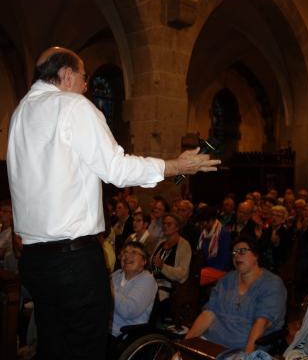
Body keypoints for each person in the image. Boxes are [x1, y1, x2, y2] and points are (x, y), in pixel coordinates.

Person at [6, 46, 220, 360]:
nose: (85, 87)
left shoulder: (19, 113)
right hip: (72, 260)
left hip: (34, 262)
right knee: (85, 350)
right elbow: (116, 169)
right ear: (66, 75)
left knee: (52, 347)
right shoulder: (71, 105)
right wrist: (176, 166)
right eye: (83, 78)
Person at [185, 236, 287, 353]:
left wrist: (247, 356)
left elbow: (261, 323)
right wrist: (186, 343)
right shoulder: (226, 280)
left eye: (242, 251)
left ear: (256, 255)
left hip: (240, 349)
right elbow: (209, 313)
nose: (236, 256)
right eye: (234, 253)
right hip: (211, 341)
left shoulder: (271, 284)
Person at [110, 241, 157, 337]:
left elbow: (128, 310)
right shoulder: (117, 274)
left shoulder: (147, 280)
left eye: (134, 252)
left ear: (144, 261)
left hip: (123, 334)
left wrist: (109, 288)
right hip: (103, 326)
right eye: (125, 252)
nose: (127, 256)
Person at [151, 213, 192, 304]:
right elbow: (151, 264)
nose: (165, 226)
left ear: (177, 227)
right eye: (164, 224)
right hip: (153, 281)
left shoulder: (184, 245)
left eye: (169, 224)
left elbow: (183, 274)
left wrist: (163, 267)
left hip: (169, 287)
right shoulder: (161, 243)